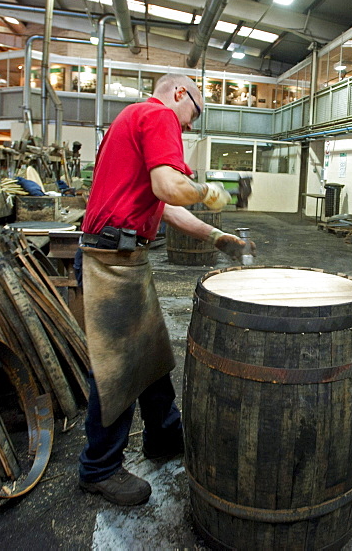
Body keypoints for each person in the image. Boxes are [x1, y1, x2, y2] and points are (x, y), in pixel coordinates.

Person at [76, 73, 252, 506]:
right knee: (115, 371)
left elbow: (165, 204)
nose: (191, 124)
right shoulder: (157, 116)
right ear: (180, 94)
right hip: (109, 260)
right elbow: (169, 187)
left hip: (126, 258)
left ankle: (163, 436)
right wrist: (214, 191)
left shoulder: (135, 120)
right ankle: (99, 469)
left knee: (152, 358)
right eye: (195, 111)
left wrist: (217, 237)